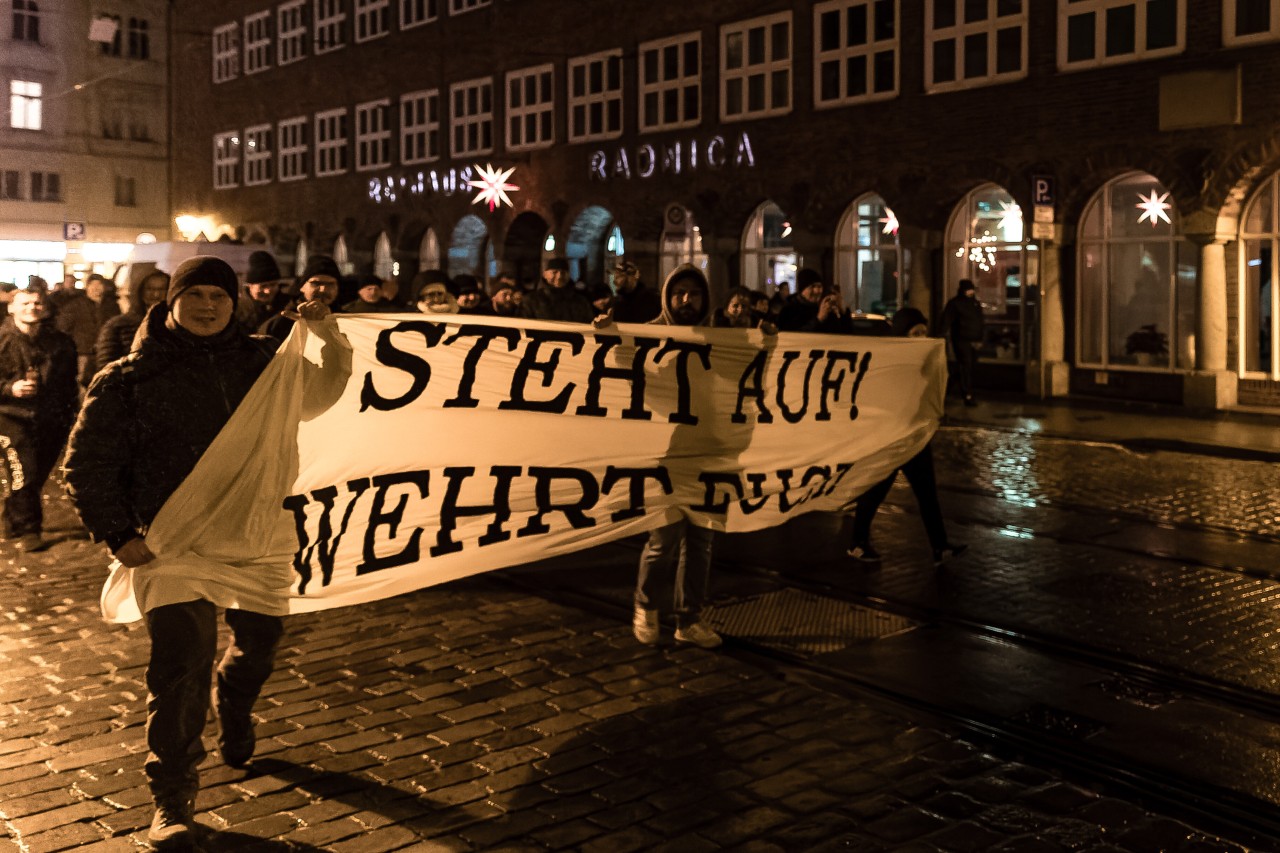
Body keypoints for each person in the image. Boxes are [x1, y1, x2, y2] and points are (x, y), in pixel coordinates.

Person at [62, 256, 333, 847]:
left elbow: (324, 399)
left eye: (219, 294)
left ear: (234, 303)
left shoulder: (265, 363)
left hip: (257, 536)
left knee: (259, 647)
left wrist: (327, 332)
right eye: (195, 295)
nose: (207, 305)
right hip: (174, 544)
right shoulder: (129, 377)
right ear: (171, 303)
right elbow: (87, 465)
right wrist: (119, 534)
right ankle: (173, 800)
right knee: (181, 667)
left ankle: (234, 702)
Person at [625, 265, 723, 650]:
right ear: (667, 297)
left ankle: (689, 618)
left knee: (702, 541)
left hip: (712, 451)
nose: (686, 301)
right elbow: (620, 368)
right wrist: (604, 335)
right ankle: (646, 606)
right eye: (679, 293)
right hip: (665, 452)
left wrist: (765, 340)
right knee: (664, 538)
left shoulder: (721, 339)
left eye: (693, 294)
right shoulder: (650, 336)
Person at [847, 307, 967, 569]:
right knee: (876, 490)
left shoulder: (926, 361)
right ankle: (857, 542)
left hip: (916, 437)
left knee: (927, 494)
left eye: (924, 332)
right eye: (916, 332)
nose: (922, 337)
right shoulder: (890, 362)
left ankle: (940, 547)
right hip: (892, 439)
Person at [0, 288, 79, 552]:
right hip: (9, 418)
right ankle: (28, 529)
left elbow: (68, 382)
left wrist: (70, 414)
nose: (32, 307)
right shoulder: (2, 339)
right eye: (25, 303)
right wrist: (10, 388)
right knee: (25, 470)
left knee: (33, 474)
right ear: (12, 308)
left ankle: (12, 518)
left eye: (37, 303)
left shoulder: (60, 342)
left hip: (49, 420)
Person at [95, 270, 170, 370]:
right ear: (141, 291)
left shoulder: (177, 324)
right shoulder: (118, 325)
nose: (156, 295)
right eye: (150, 289)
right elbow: (106, 367)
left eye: (162, 289)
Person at [259, 264, 341, 343]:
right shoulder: (279, 324)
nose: (323, 289)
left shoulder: (346, 320)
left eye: (331, 284)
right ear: (302, 286)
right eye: (316, 283)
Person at [941, 278, 983, 406]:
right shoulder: (956, 304)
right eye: (969, 290)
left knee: (966, 368)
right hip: (961, 340)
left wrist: (980, 338)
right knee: (965, 366)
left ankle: (947, 389)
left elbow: (980, 321)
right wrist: (941, 334)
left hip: (973, 340)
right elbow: (946, 320)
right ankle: (967, 395)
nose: (971, 292)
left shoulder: (974, 303)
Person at [776, 268, 850, 334]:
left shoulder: (825, 308)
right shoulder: (789, 310)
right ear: (802, 290)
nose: (817, 291)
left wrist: (844, 312)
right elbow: (791, 338)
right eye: (812, 286)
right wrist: (818, 319)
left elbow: (844, 336)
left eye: (819, 286)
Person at [520, 257, 594, 323]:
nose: (559, 276)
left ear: (568, 275)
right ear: (545, 274)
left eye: (563, 272)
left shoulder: (581, 302)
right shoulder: (530, 301)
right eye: (554, 272)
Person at [235, 250, 286, 335]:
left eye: (273, 285)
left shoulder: (288, 306)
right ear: (250, 286)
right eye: (263, 286)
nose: (268, 291)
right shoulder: (237, 310)